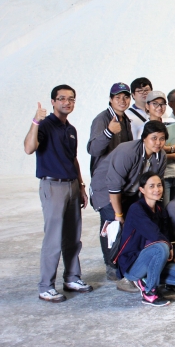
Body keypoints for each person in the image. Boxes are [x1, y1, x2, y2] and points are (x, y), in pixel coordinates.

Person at [24, 85, 93, 303]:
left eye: (71, 99)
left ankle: (72, 278)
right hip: (53, 186)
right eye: (62, 98)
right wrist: (35, 121)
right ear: (53, 102)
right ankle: (46, 286)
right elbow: (29, 148)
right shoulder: (45, 125)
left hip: (72, 185)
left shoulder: (71, 129)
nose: (67, 102)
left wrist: (81, 186)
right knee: (53, 238)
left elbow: (73, 159)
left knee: (72, 237)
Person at [89, 120, 168, 282]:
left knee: (134, 223)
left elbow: (154, 183)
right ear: (144, 138)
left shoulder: (161, 156)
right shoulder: (127, 151)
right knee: (114, 224)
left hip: (130, 192)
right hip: (105, 190)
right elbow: (113, 186)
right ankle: (111, 265)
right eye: (154, 138)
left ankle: (130, 260)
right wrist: (119, 214)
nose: (158, 143)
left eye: (162, 139)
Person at [116, 171, 175, 307]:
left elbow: (167, 237)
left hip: (154, 259)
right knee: (161, 246)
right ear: (142, 190)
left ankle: (147, 279)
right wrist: (173, 252)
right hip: (133, 264)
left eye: (159, 185)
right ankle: (149, 292)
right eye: (151, 186)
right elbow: (154, 235)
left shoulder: (160, 210)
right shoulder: (136, 209)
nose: (157, 189)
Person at [87, 82, 133, 176]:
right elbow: (93, 150)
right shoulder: (102, 119)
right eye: (117, 97)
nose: (122, 101)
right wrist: (109, 132)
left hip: (119, 174)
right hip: (104, 175)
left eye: (126, 97)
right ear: (110, 99)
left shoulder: (125, 119)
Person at [146, 91, 175, 168]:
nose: (159, 107)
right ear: (147, 106)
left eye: (162, 104)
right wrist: (173, 156)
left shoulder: (171, 121)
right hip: (158, 168)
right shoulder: (144, 127)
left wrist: (169, 149)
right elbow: (148, 154)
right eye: (155, 103)